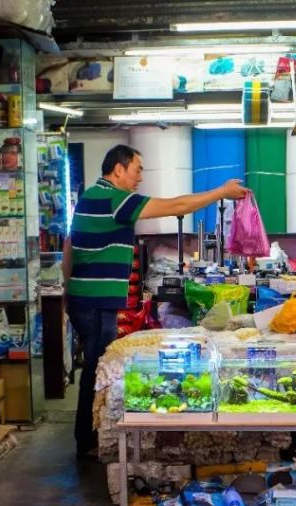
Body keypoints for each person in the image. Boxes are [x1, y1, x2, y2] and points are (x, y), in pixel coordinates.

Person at [63, 144, 247, 459]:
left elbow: (69, 246)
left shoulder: (91, 197)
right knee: (97, 368)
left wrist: (69, 290)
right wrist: (220, 192)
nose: (140, 178)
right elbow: (176, 205)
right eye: (137, 170)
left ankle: (88, 438)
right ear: (118, 170)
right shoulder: (113, 199)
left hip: (86, 298)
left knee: (94, 366)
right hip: (94, 302)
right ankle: (88, 442)